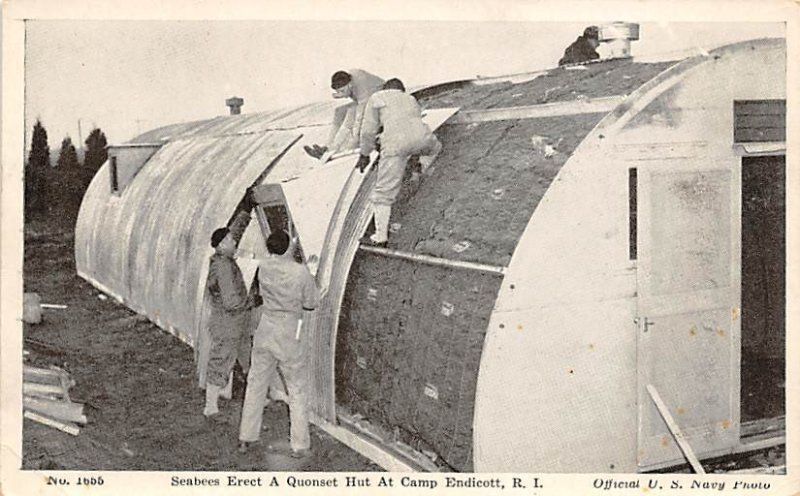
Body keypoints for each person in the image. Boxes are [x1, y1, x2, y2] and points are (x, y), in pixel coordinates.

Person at [238, 231, 321, 458]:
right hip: (287, 333)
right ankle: (299, 445)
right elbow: (311, 303)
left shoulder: (263, 267)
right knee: (296, 388)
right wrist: (315, 282)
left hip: (266, 329)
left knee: (255, 385)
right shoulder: (300, 272)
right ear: (287, 248)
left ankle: (246, 437)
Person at [355, 77, 442, 246]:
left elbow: (367, 131)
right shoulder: (410, 98)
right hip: (423, 139)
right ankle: (419, 167)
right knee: (436, 148)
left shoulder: (377, 97)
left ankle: (380, 236)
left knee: (383, 194)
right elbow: (408, 123)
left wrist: (365, 154)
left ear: (385, 89)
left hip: (396, 146)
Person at [203, 205, 262, 419]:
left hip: (233, 324)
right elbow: (231, 302)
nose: (234, 242)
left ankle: (255, 397)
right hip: (230, 324)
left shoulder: (221, 260)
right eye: (229, 241)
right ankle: (210, 406)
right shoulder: (225, 267)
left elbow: (232, 233)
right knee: (221, 361)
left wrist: (245, 212)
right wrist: (252, 301)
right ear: (220, 246)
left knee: (247, 358)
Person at [304, 69, 385, 163]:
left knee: (352, 116)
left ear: (350, 85)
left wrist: (355, 141)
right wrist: (342, 93)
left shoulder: (362, 88)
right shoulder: (349, 80)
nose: (342, 94)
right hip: (369, 100)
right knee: (339, 112)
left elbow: (359, 119)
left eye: (342, 90)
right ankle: (327, 147)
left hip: (381, 101)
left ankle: (343, 148)